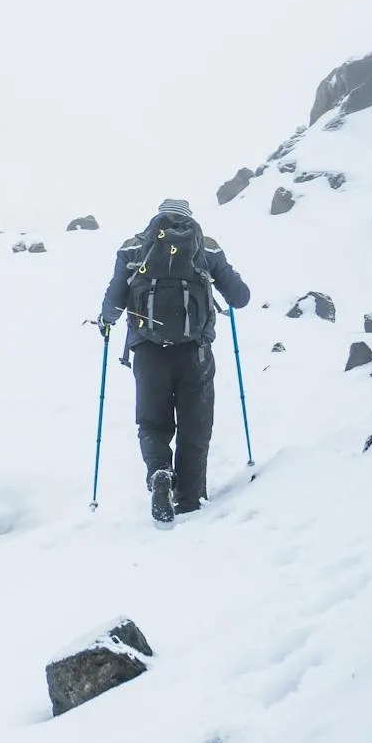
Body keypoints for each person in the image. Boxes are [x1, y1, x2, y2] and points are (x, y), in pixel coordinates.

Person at [98, 198, 251, 528]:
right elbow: (240, 297)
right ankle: (189, 500)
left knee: (152, 423)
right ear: (190, 218)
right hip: (194, 352)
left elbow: (114, 299)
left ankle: (159, 473)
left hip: (148, 352)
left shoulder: (134, 247)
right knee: (196, 424)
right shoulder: (204, 247)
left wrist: (105, 320)